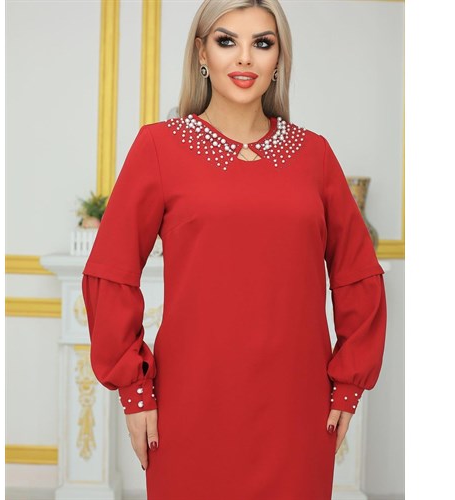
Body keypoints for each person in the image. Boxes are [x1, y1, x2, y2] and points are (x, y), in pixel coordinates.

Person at [82, 0, 387, 498]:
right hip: (191, 403)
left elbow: (358, 273)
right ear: (202, 52)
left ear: (279, 58)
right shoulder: (159, 147)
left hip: (296, 406)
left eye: (262, 43)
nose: (245, 57)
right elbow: (111, 270)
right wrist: (135, 392)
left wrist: (349, 384)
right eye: (227, 41)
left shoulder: (314, 155)